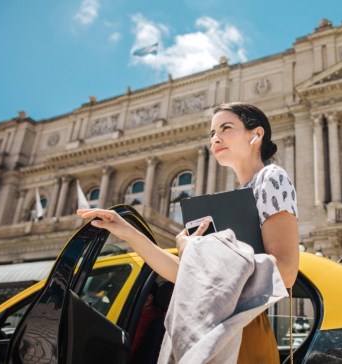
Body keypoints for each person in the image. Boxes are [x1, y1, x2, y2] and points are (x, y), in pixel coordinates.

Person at [78, 102, 299, 363]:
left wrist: (193, 248)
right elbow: (185, 274)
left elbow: (285, 272)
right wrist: (126, 231)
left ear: (256, 134)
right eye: (212, 133)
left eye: (226, 128)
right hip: (213, 331)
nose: (216, 138)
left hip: (243, 332)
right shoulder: (236, 195)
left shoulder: (271, 177)